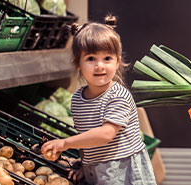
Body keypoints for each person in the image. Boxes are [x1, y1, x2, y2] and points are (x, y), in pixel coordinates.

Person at [41, 14, 157, 185]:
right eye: (91, 59)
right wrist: (83, 166)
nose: (100, 65)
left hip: (124, 172)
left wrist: (65, 143)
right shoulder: (78, 99)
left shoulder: (118, 95)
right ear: (78, 63)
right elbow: (85, 136)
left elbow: (106, 134)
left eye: (107, 58)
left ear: (117, 62)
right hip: (96, 170)